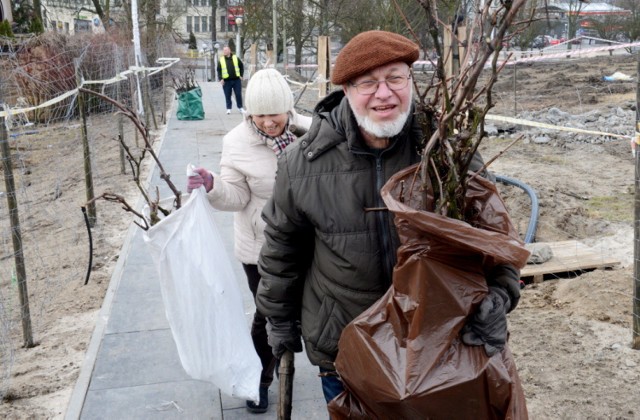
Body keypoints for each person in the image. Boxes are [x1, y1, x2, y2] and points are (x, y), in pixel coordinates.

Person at [255, 30, 523, 406]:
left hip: (440, 345)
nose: (384, 94)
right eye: (368, 83)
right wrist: (279, 320)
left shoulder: (447, 153)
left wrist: (500, 292)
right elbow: (282, 249)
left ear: (410, 80)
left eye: (395, 78)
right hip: (347, 347)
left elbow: (494, 237)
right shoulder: (302, 164)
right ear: (346, 91)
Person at [186, 68, 312, 413]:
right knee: (269, 313)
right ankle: (260, 378)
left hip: (309, 241)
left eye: (275, 113)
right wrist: (213, 186)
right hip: (261, 246)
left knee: (312, 309)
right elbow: (237, 197)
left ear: (289, 108)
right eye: (260, 114)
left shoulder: (312, 132)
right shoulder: (236, 142)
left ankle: (304, 361)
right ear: (249, 113)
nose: (269, 122)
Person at [217, 45, 245, 114]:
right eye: (224, 50)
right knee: (227, 95)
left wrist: (241, 75)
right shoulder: (221, 59)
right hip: (226, 81)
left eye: (226, 50)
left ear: (229, 50)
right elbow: (219, 70)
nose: (224, 51)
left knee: (238, 94)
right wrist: (221, 79)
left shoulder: (235, 58)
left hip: (236, 80)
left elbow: (241, 66)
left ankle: (240, 108)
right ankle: (228, 108)